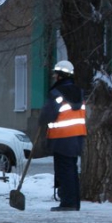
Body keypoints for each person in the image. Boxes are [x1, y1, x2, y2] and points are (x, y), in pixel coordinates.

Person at [38, 60, 86, 212]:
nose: (53, 76)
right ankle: (74, 201)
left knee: (64, 171)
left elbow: (47, 115)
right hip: (77, 137)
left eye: (56, 74)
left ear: (60, 76)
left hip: (62, 138)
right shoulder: (79, 92)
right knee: (71, 170)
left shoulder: (57, 93)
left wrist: (41, 121)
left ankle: (68, 203)